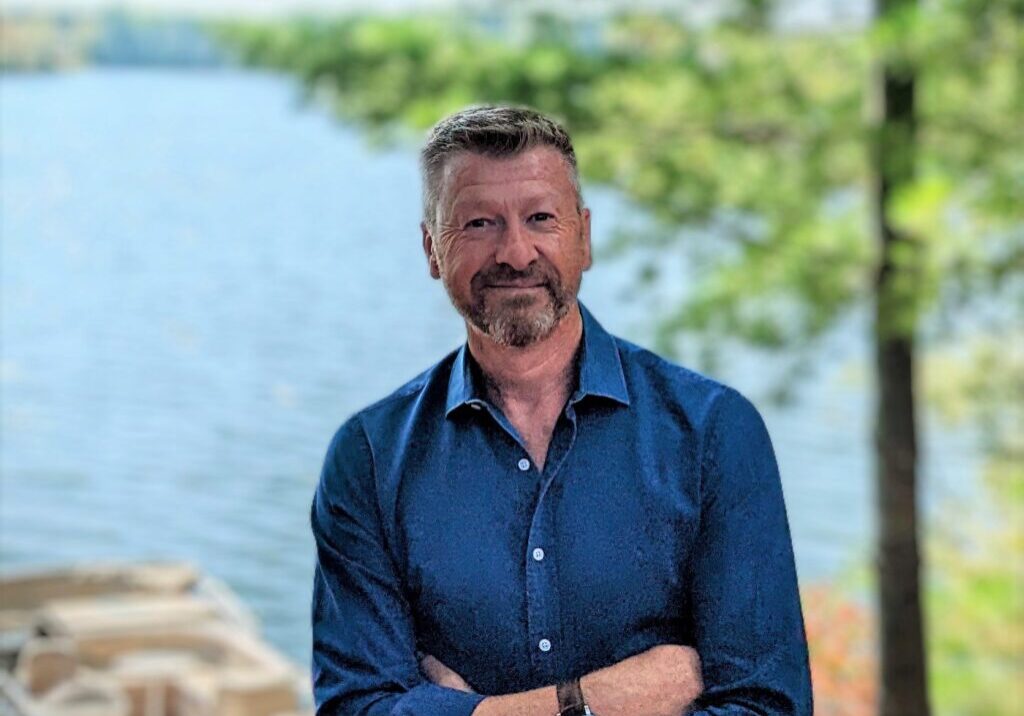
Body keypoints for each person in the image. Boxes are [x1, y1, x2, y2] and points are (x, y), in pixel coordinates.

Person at [310, 105, 813, 715]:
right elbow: (356, 708)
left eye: (540, 218)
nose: (515, 253)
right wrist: (589, 702)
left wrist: (471, 711)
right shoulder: (369, 458)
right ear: (431, 250)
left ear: (584, 237)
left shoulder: (713, 432)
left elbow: (767, 708)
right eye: (478, 224)